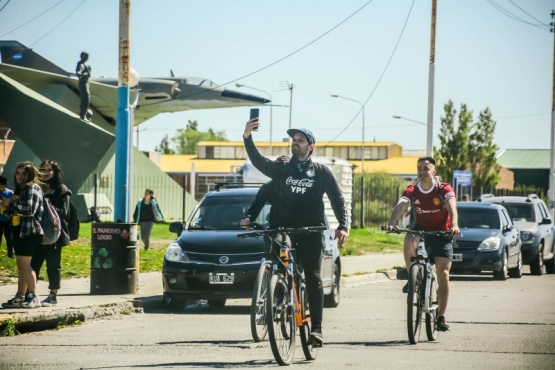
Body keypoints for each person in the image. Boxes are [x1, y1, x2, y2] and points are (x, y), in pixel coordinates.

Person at [243, 121, 349, 347]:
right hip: (284, 228)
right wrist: (247, 138)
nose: (295, 143)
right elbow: (259, 162)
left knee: (313, 277)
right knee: (279, 259)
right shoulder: (282, 169)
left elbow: (337, 199)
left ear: (311, 146)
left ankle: (317, 329)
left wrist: (343, 225)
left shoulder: (321, 172)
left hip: (311, 231)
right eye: (294, 140)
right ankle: (279, 292)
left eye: (300, 140)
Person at [385, 156, 461, 332]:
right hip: (421, 230)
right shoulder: (413, 189)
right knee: (408, 240)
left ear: (433, 172)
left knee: (443, 274)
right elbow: (402, 203)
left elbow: (451, 205)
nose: (422, 172)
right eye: (419, 168)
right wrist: (392, 221)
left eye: (426, 168)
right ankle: (412, 276)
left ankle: (441, 316)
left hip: (442, 232)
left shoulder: (443, 188)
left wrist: (455, 224)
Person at [1, 161, 45, 309]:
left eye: (23, 173)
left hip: (30, 231)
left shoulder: (32, 188)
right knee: (22, 266)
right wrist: (6, 208)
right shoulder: (19, 190)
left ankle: (33, 296)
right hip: (19, 231)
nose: (20, 176)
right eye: (18, 173)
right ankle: (20, 296)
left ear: (30, 174)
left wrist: (11, 204)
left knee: (25, 265)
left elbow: (29, 210)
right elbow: (14, 214)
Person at [30, 160, 72, 307]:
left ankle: (53, 295)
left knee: (53, 265)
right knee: (33, 264)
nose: (46, 173)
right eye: (43, 170)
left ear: (55, 173)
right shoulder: (36, 187)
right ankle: (31, 294)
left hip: (54, 234)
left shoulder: (61, 189)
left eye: (50, 170)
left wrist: (47, 204)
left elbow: (64, 213)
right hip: (37, 232)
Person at [0, 175, 14, 258]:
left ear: (3, 184)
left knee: (9, 237)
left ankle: (10, 253)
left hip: (8, 219)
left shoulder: (10, 193)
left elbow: (14, 204)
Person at [76, 51, 92, 120]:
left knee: (87, 99)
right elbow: (79, 70)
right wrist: (79, 73)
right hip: (83, 84)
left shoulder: (87, 65)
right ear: (82, 56)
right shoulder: (80, 64)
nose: (87, 58)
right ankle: (83, 114)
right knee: (85, 98)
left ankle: (84, 113)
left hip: (86, 83)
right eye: (85, 56)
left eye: (87, 56)